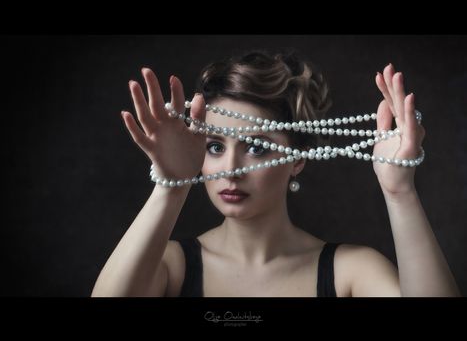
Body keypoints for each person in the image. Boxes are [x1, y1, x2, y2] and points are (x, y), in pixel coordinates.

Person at [91, 51, 460, 297]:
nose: (231, 170)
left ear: (297, 159)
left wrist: (400, 192)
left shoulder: (351, 271)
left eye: (257, 147)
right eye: (214, 147)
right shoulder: (171, 265)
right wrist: (171, 186)